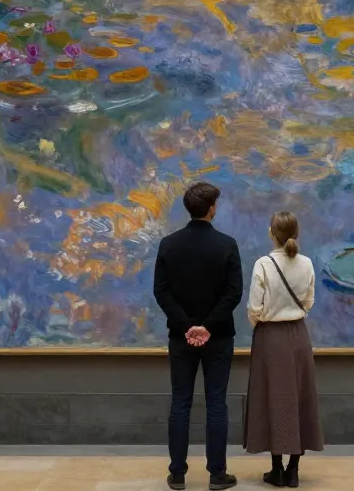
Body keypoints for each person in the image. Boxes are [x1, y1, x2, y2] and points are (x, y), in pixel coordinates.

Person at [153, 181, 243, 491]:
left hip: (181, 339)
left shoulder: (168, 245)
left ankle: (177, 474)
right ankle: (217, 474)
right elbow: (234, 294)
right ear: (212, 209)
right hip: (218, 338)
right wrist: (207, 326)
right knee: (216, 403)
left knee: (180, 403)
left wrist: (186, 326)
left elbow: (161, 292)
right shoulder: (227, 245)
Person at [244, 211, 324, 488]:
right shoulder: (307, 263)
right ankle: (294, 470)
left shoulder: (263, 264)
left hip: (270, 337)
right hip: (299, 335)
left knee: (274, 399)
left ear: (271, 233)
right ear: (295, 233)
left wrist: (261, 322)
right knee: (299, 399)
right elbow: (309, 302)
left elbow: (255, 307)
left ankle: (276, 468)